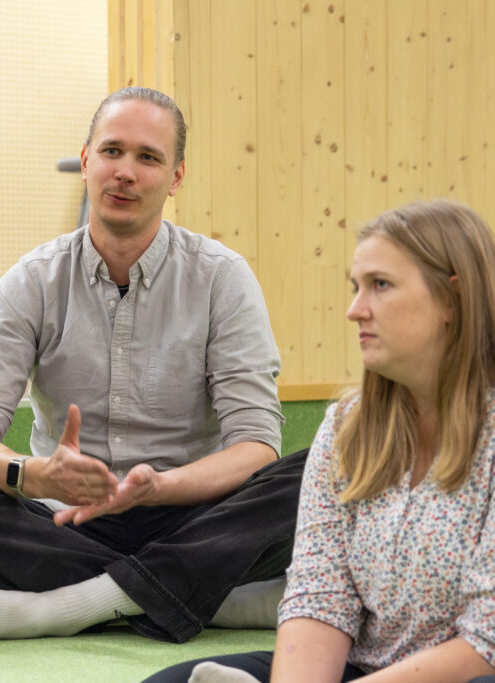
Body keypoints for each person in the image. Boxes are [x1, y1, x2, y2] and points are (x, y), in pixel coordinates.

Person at [0, 87, 307, 645]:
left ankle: (67, 607)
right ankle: (209, 597)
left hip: (191, 514)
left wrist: (160, 487)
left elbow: (256, 447)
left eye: (148, 157)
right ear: (86, 160)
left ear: (176, 177)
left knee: (327, 469)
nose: (125, 173)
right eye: (112, 151)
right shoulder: (31, 281)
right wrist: (32, 474)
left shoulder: (221, 278)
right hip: (64, 520)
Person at [147, 199, 495, 683]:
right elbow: (320, 597)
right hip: (368, 669)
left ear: (451, 300)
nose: (355, 310)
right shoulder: (346, 426)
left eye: (381, 285)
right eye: (356, 287)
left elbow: (487, 641)